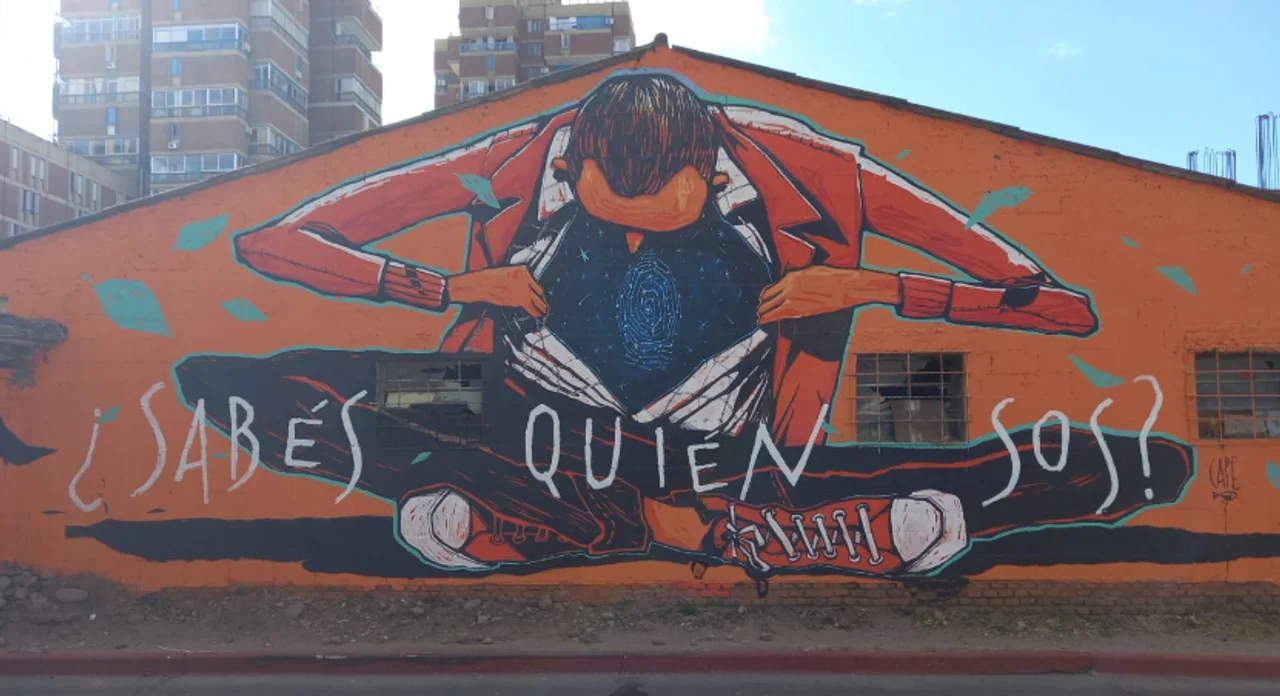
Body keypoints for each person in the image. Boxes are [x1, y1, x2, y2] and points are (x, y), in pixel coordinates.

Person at [183, 72, 1189, 579]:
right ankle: (719, 533)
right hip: (521, 422)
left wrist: (873, 286)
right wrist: (443, 290)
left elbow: (1058, 305)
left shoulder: (822, 173)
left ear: (706, 166)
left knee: (1055, 464)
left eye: (659, 216)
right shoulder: (514, 160)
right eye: (602, 210)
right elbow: (274, 242)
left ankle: (588, 525)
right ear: (576, 160)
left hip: (724, 448)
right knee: (274, 383)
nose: (629, 234)